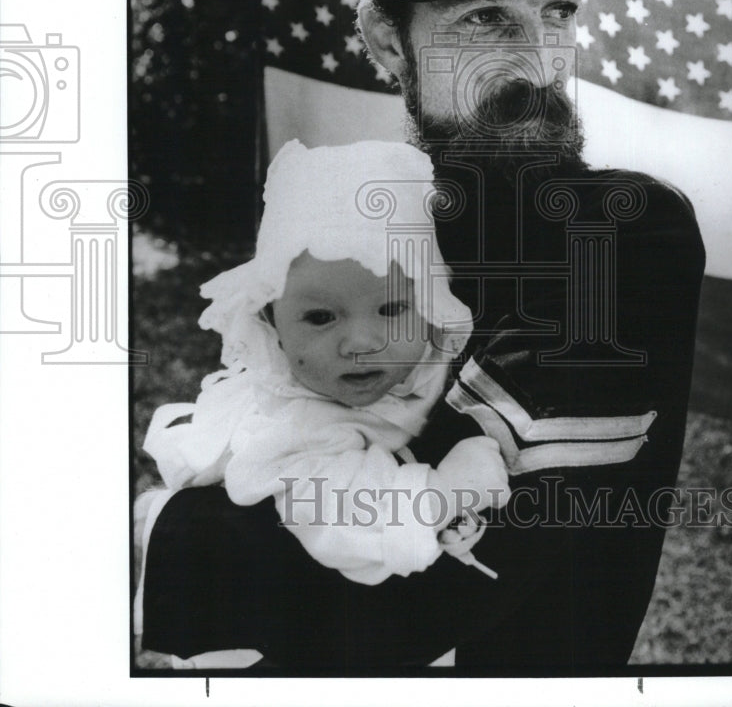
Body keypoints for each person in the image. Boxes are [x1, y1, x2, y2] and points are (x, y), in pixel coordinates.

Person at [139, 0, 705, 673]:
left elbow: (415, 585)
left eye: (557, 9)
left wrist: (160, 528)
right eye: (484, 18)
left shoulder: (623, 231)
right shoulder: (367, 232)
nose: (538, 62)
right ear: (381, 39)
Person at [136, 139, 508, 668]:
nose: (360, 342)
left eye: (390, 308)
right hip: (270, 644)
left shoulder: (410, 377)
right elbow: (340, 521)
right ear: (271, 322)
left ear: (428, 309)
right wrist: (445, 492)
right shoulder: (292, 424)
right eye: (320, 318)